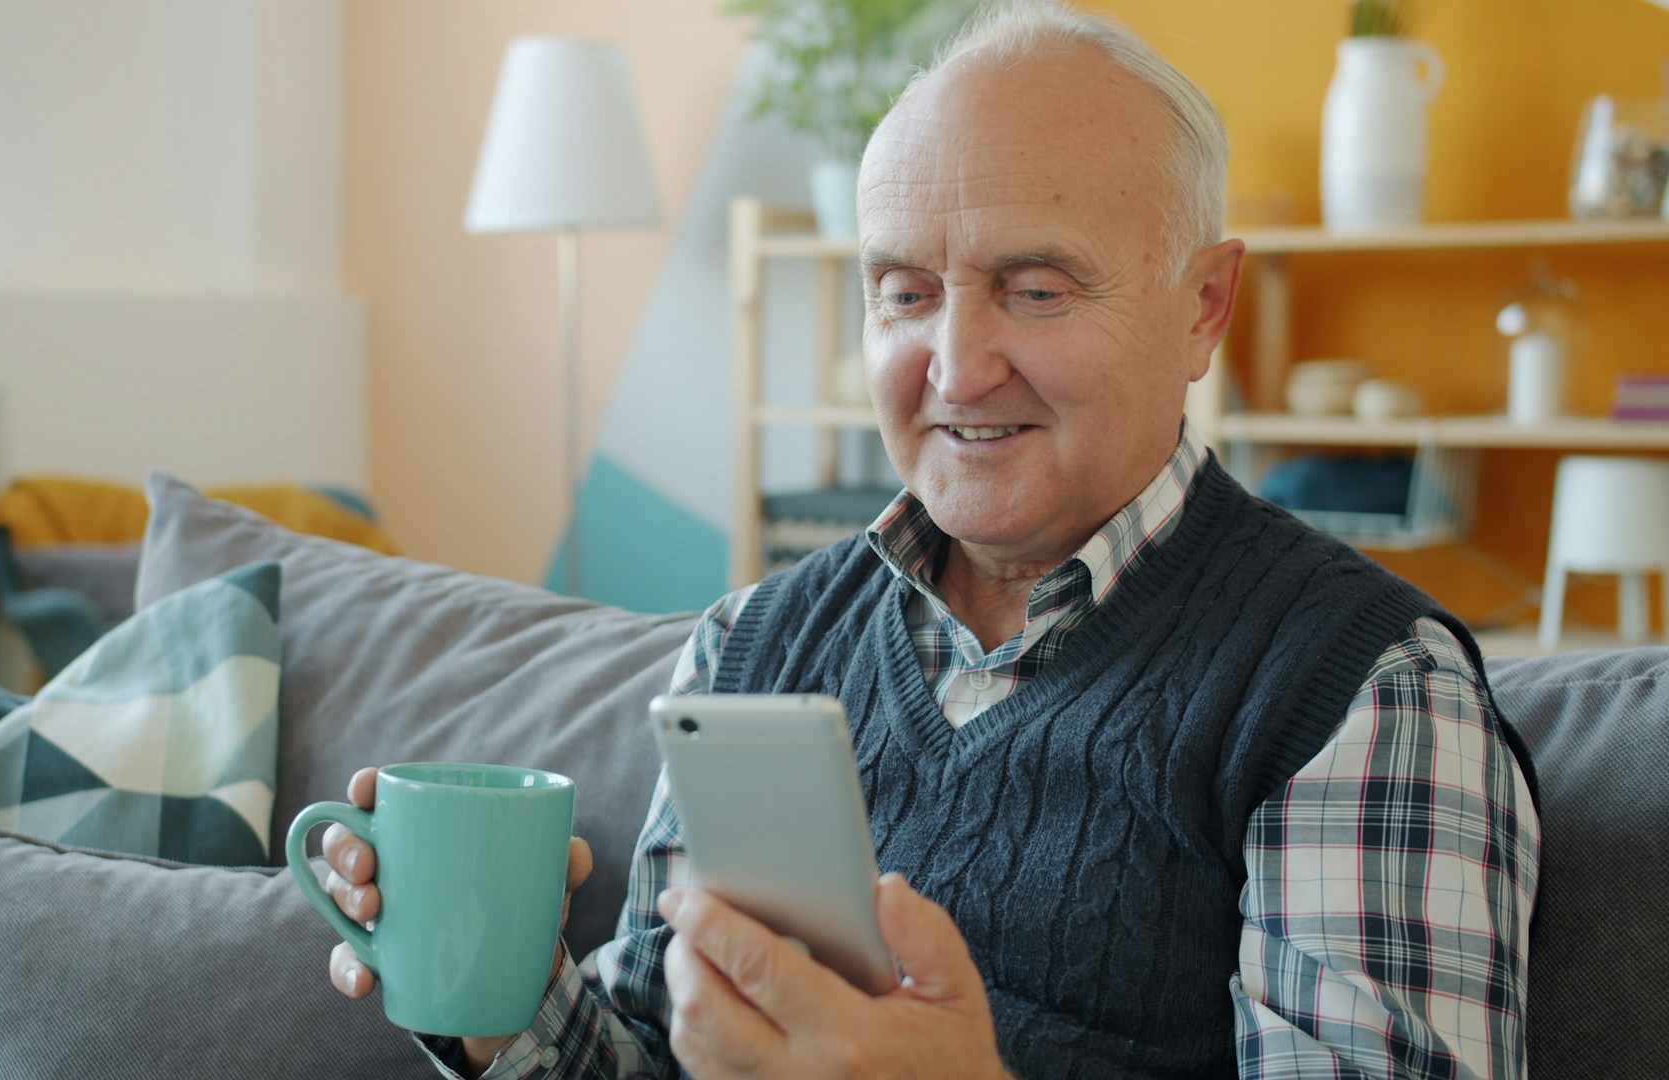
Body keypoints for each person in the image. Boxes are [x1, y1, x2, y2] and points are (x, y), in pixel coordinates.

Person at [320, 2, 1541, 1076]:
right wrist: (514, 1000)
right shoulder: (749, 648)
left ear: (1202, 306)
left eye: (1038, 289)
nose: (955, 366)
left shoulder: (1358, 692)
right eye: (904, 292)